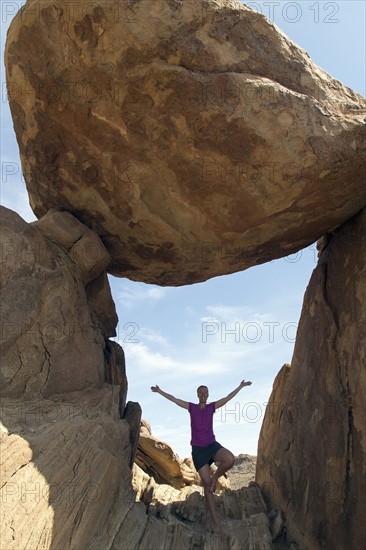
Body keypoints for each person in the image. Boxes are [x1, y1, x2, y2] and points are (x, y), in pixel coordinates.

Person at [151, 379, 252, 533]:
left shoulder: (212, 407)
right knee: (207, 488)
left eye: (206, 392)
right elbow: (175, 400)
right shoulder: (192, 407)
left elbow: (227, 398)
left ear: (208, 394)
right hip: (198, 450)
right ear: (197, 395)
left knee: (230, 459)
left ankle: (215, 478)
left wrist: (240, 386)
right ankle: (216, 524)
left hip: (212, 446)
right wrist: (160, 391)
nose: (204, 395)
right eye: (201, 392)